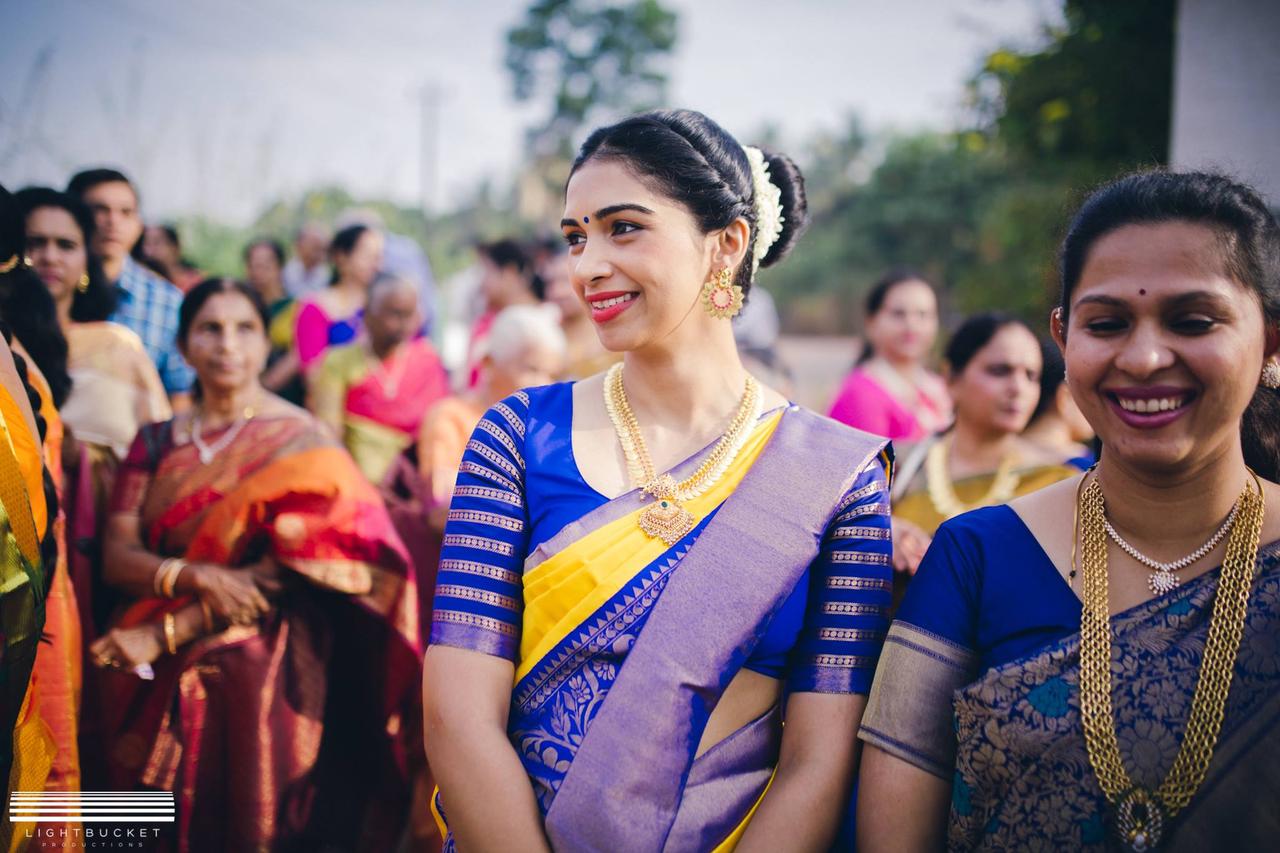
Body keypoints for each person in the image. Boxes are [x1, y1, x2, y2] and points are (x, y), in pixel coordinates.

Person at [423, 109, 895, 852]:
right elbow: (458, 717)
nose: (585, 265)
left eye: (623, 228)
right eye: (576, 236)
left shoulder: (837, 480)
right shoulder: (517, 437)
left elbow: (818, 758)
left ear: (727, 243)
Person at [856, 170, 1280, 851]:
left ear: (1272, 340)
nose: (1143, 358)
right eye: (1107, 323)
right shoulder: (977, 556)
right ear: (1064, 335)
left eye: (1193, 320)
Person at [88, 278, 421, 851]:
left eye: (244, 329)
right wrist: (199, 577)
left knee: (230, 722)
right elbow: (118, 556)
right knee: (122, 802)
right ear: (184, 343)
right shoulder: (156, 440)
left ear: (265, 345)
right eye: (209, 329)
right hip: (145, 632)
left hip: (269, 645)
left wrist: (169, 631)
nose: (228, 345)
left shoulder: (299, 438)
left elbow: (318, 555)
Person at [888, 313, 1076, 577]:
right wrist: (882, 531)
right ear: (951, 378)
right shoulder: (897, 466)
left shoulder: (1058, 482)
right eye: (1000, 371)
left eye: (1031, 376)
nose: (1018, 388)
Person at [19, 187, 171, 460]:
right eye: (35, 243)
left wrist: (78, 455)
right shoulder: (6, 346)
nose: (50, 257)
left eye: (66, 245)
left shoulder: (116, 347)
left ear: (86, 263)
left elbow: (152, 460)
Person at [67, 168, 194, 403]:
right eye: (100, 209)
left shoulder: (166, 300)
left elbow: (179, 395)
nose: (113, 221)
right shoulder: (51, 292)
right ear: (73, 217)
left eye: (126, 212)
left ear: (138, 223)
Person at [310, 274, 449, 484]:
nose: (403, 323)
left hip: (415, 485)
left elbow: (441, 428)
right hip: (357, 482)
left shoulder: (428, 359)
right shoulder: (338, 361)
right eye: (394, 314)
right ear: (367, 314)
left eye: (409, 314)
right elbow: (329, 433)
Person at [828, 269, 951, 441]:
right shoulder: (860, 396)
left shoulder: (938, 388)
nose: (912, 326)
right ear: (871, 322)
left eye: (923, 315)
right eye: (898, 314)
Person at [295, 223, 383, 373]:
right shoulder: (317, 307)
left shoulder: (385, 305)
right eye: (368, 256)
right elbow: (313, 373)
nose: (376, 265)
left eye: (378, 257)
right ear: (341, 257)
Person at [463, 238, 541, 387]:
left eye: (487, 271)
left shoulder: (549, 319)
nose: (482, 282)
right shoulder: (485, 324)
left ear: (509, 272)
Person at [540, 241, 616, 379]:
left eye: (565, 281)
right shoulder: (545, 333)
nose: (557, 292)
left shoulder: (613, 334)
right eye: (550, 283)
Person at [244, 237, 304, 404]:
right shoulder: (244, 308)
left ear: (279, 267)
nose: (258, 272)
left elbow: (298, 355)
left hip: (284, 396)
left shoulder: (295, 308)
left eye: (264, 266)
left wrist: (262, 388)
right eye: (253, 266)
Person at [1024, 334, 1097, 469]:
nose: (1098, 405)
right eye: (1092, 392)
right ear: (1065, 396)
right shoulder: (1088, 469)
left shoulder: (991, 457)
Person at [141, 223, 203, 293]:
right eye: (146, 244)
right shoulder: (144, 284)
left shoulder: (196, 283)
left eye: (156, 243)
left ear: (175, 247)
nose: (148, 251)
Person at [282, 221, 332, 298]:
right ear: (299, 245)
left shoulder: (326, 276)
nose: (320, 255)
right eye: (315, 248)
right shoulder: (283, 274)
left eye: (323, 249)